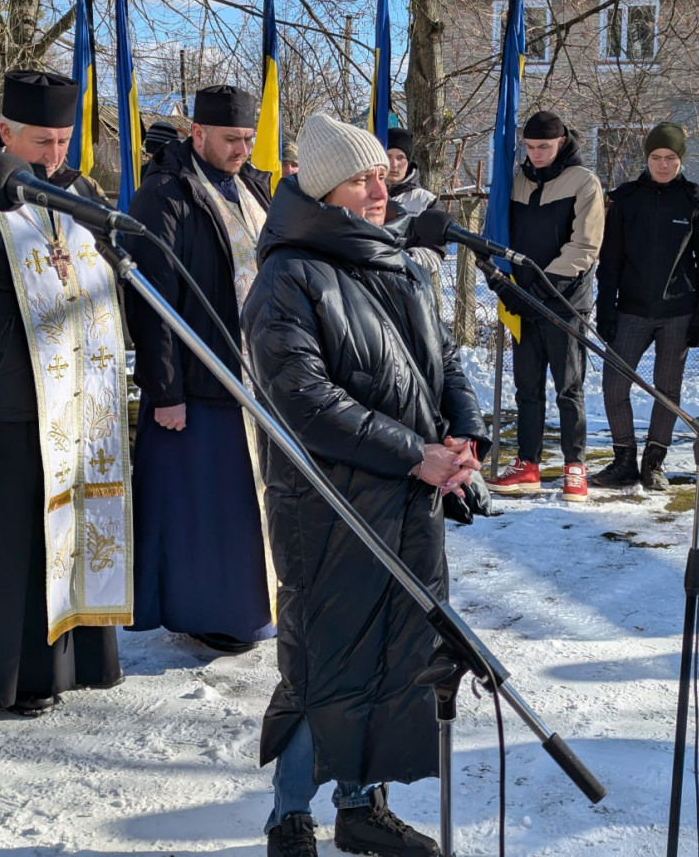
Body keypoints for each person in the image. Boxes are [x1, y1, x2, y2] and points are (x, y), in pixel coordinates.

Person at [241, 114, 491, 857]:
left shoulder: (401, 263)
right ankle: (290, 814)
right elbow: (306, 400)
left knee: (394, 655)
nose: (383, 189)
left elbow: (445, 360)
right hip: (327, 506)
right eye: (362, 179)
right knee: (325, 658)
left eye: (384, 174)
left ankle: (362, 806)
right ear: (322, 190)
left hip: (410, 502)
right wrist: (417, 453)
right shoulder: (285, 277)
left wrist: (463, 434)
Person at [0, 70, 130, 716]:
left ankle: (67, 668)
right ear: (4, 131)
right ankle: (4, 681)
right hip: (5, 408)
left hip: (73, 403)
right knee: (8, 556)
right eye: (42, 141)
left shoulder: (73, 194)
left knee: (65, 540)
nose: (54, 155)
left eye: (64, 140)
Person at [124, 84, 275, 653]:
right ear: (199, 133)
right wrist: (166, 389)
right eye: (232, 139)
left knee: (247, 509)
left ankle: (253, 611)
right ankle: (210, 615)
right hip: (198, 382)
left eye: (248, 138)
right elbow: (151, 300)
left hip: (256, 378)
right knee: (204, 512)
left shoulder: (252, 187)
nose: (242, 149)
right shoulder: (165, 196)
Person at [593, 122, 699, 490]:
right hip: (631, 310)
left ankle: (654, 461)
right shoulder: (625, 199)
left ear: (680, 160)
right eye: (655, 157)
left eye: (670, 158)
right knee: (614, 385)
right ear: (646, 158)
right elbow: (610, 262)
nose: (663, 165)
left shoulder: (695, 201)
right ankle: (623, 459)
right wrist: (606, 310)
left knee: (667, 391)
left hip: (678, 314)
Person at [485, 110, 604, 502]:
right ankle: (528, 463)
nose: (536, 154)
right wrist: (503, 286)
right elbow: (496, 239)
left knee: (568, 386)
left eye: (545, 147)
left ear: (562, 142)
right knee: (527, 387)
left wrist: (541, 290)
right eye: (531, 147)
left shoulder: (584, 182)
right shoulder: (514, 183)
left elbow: (584, 246)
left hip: (564, 302)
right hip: (521, 300)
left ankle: (575, 464)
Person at [385, 127, 444, 274]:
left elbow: (434, 255)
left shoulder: (426, 202)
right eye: (388, 156)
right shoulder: (362, 196)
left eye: (400, 157)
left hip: (407, 286)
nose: (394, 164)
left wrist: (398, 260)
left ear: (409, 160)